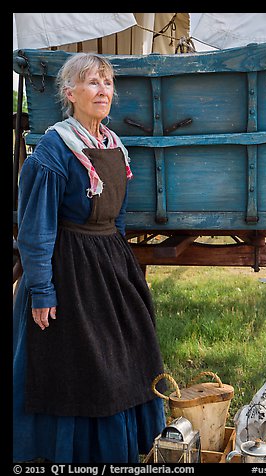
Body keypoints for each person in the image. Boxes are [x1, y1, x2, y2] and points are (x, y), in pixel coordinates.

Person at [13, 52, 166, 464]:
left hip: (109, 262)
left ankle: (123, 447)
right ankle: (66, 452)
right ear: (70, 93)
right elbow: (35, 228)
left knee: (129, 352)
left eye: (108, 83)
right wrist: (42, 289)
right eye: (93, 83)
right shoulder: (54, 148)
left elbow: (116, 219)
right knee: (79, 364)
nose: (103, 91)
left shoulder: (114, 146)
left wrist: (126, 275)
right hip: (67, 268)